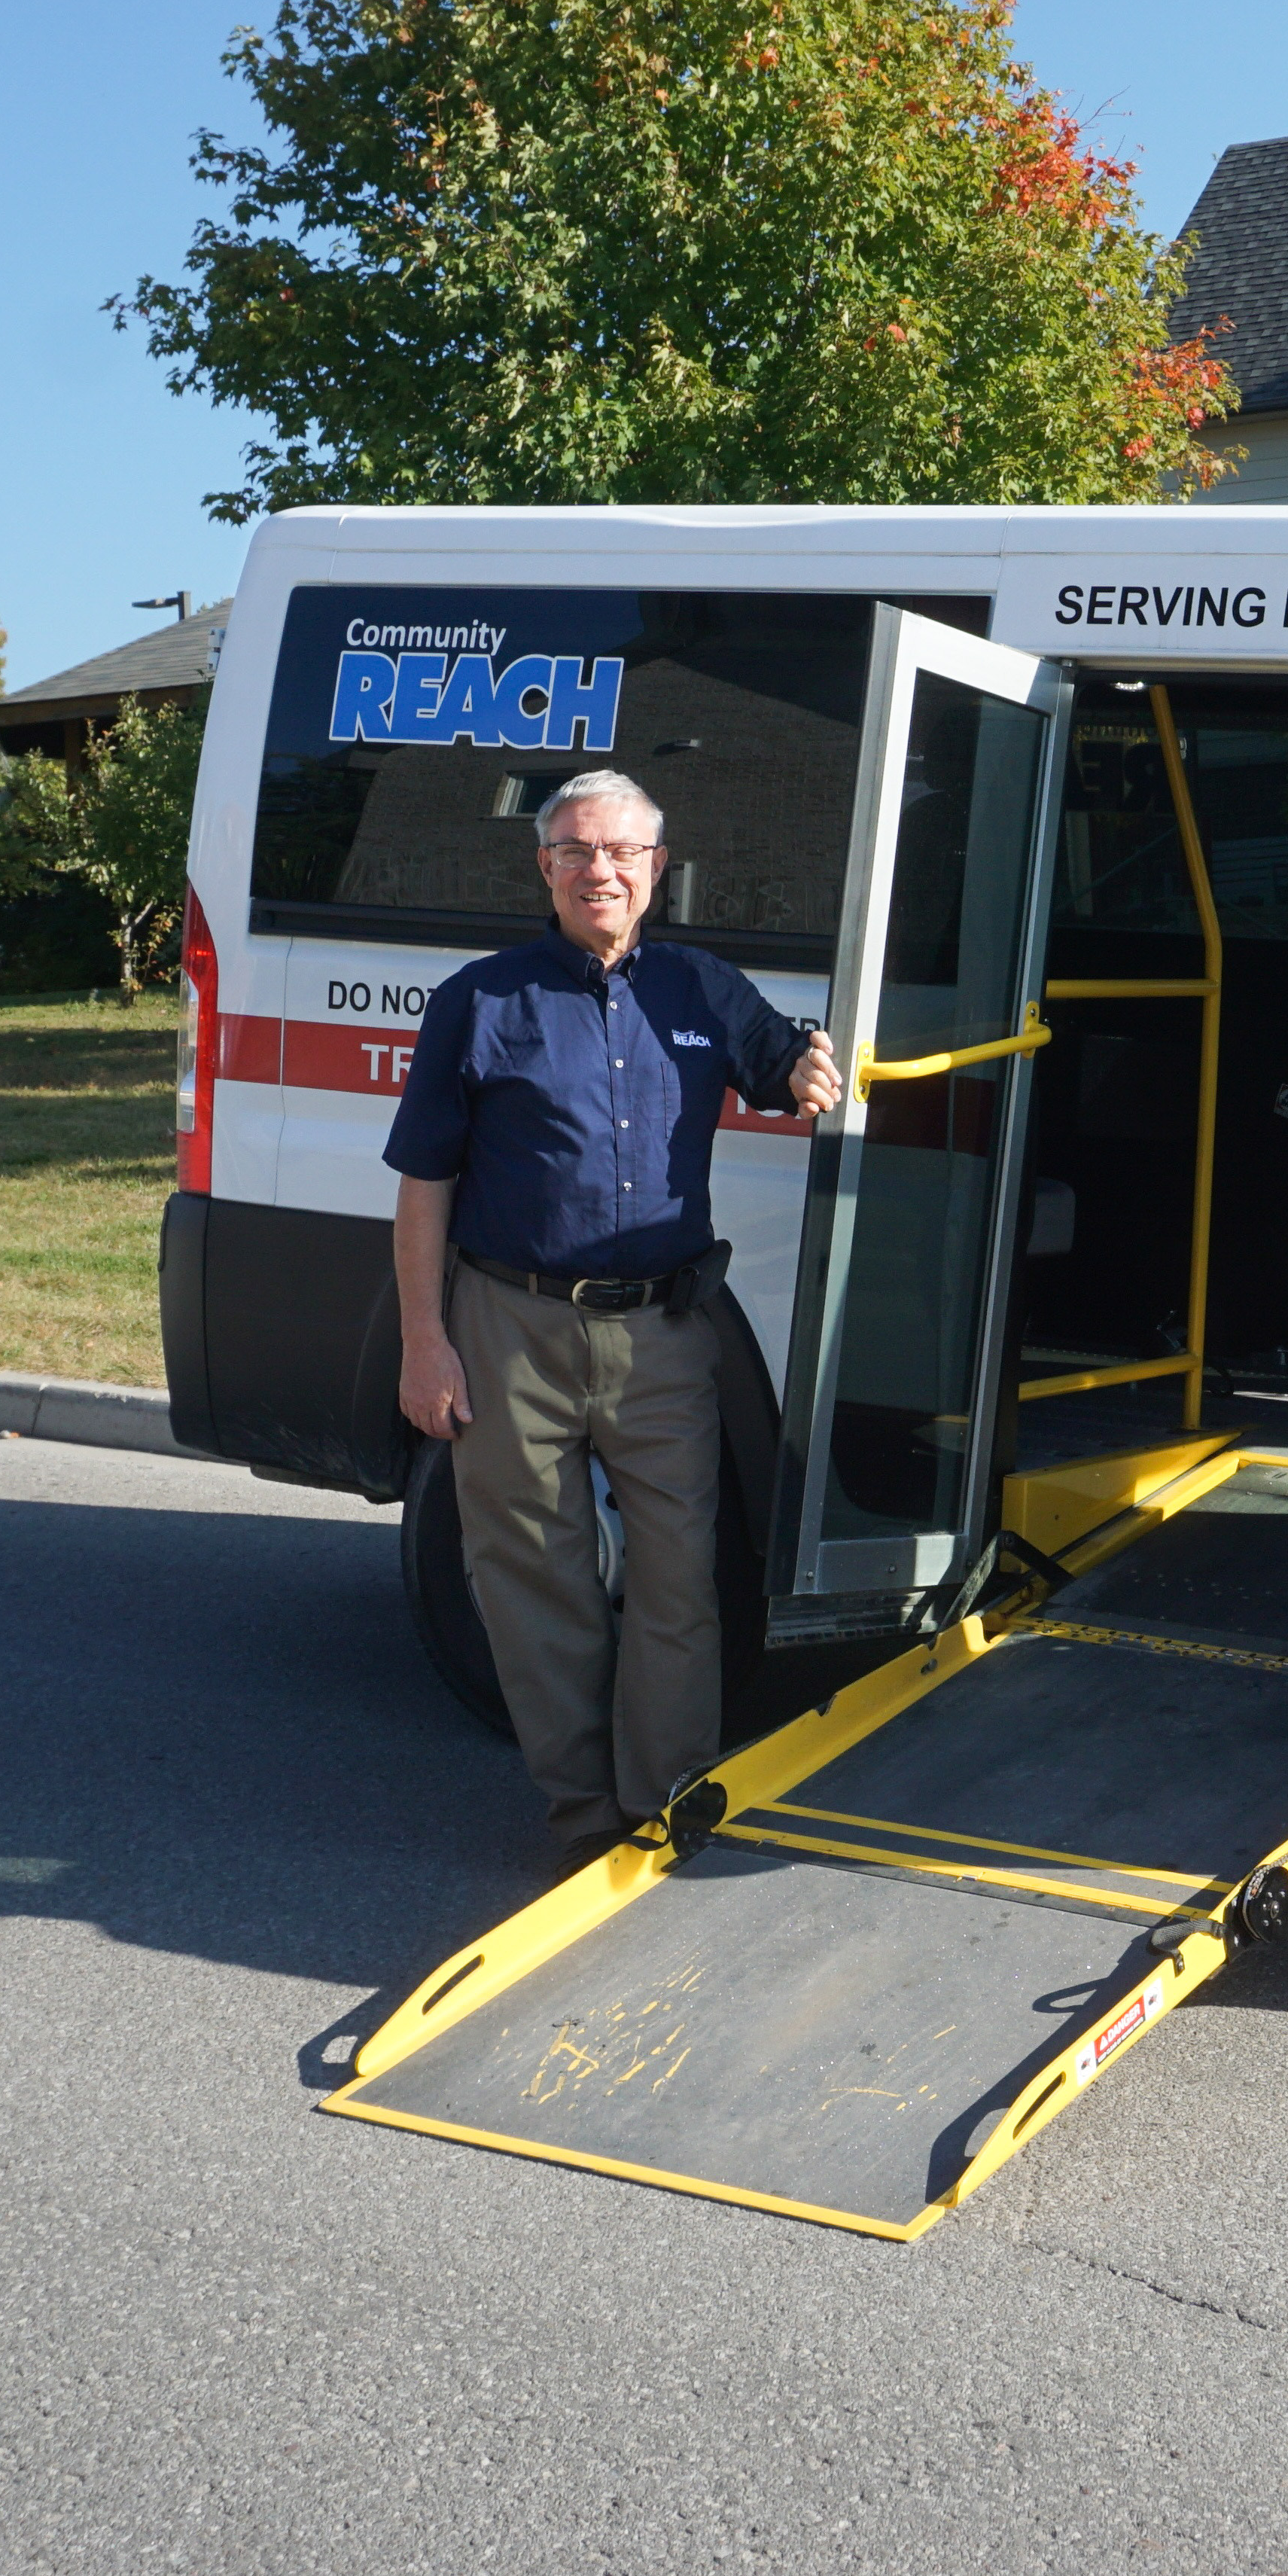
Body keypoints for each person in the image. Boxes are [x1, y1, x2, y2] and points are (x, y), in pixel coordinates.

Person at [386, 770, 845, 1865]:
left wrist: (813, 1067)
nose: (602, 869)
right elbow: (423, 1188)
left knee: (682, 1582)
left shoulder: (701, 988)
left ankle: (664, 1806)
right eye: (578, 852)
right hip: (512, 1328)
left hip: (663, 1338)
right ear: (545, 868)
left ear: (656, 866)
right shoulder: (480, 1001)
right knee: (536, 1585)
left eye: (622, 852)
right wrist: (423, 1341)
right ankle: (587, 1823)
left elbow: (786, 1063)